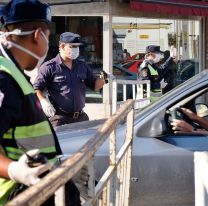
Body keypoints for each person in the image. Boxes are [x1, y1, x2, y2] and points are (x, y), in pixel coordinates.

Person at [0, 1, 80, 205]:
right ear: (38, 35)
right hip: (20, 195)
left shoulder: (14, 73)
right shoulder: (4, 79)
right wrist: (13, 170)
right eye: (48, 37)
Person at [33, 32, 106, 127]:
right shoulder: (49, 67)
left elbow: (95, 86)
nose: (76, 49)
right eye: (73, 46)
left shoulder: (82, 66)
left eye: (77, 47)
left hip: (81, 118)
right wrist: (43, 101)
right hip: (59, 119)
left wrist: (105, 79)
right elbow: (36, 88)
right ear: (62, 46)